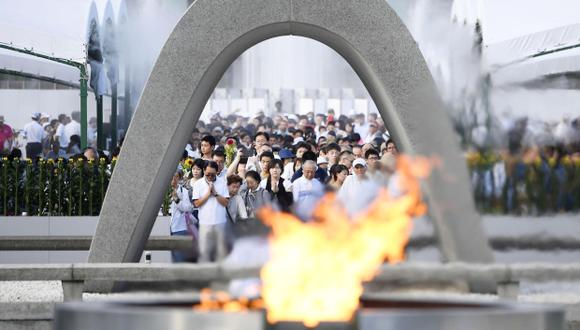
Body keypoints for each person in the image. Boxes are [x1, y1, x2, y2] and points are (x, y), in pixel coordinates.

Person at [192, 161, 229, 262]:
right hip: (204, 223)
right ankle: (204, 276)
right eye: (207, 174)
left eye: (212, 174)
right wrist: (208, 194)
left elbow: (226, 202)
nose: (210, 176)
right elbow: (196, 204)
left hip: (220, 222)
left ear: (217, 172)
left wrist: (216, 194)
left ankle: (220, 276)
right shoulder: (198, 184)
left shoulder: (222, 182)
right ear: (204, 171)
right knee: (204, 252)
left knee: (221, 252)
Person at [170, 171, 195, 262]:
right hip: (163, 226)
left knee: (178, 257)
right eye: (171, 176)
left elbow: (188, 208)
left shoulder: (184, 191)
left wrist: (177, 201)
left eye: (176, 176)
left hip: (179, 228)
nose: (173, 179)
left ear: (180, 178)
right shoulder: (161, 191)